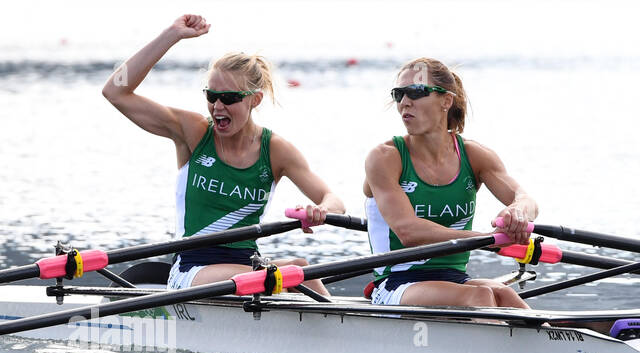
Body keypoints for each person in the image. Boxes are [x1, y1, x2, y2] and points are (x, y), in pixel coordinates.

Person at [103, 14, 345, 293]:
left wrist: (321, 210)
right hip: (190, 269)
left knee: (300, 267)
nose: (217, 106)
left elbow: (335, 201)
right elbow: (115, 91)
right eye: (211, 96)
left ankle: (341, 330)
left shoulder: (276, 150)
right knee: (283, 273)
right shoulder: (193, 132)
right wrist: (170, 35)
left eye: (229, 98)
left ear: (255, 100)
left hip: (250, 266)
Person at [363, 57, 538, 307]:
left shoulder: (474, 155)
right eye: (399, 94)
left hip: (454, 279)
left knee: (503, 294)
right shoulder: (385, 157)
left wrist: (517, 213)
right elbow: (408, 232)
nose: (404, 102)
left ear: (446, 100)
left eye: (416, 91)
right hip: (396, 283)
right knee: (480, 296)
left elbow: (526, 199)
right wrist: (489, 239)